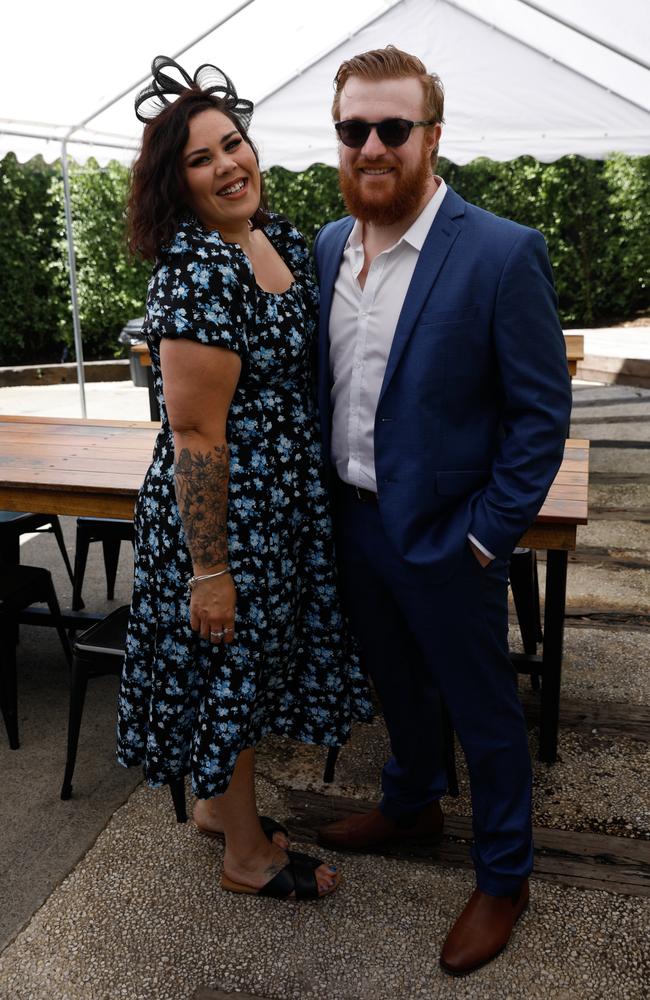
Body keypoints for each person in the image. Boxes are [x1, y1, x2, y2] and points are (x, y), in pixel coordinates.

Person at [313, 46, 572, 972]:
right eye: (354, 129)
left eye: (393, 127)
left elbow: (541, 416)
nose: (372, 145)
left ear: (432, 135)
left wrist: (484, 538)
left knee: (485, 711)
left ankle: (504, 875)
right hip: (355, 522)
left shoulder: (501, 251)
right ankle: (413, 800)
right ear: (337, 138)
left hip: (449, 536)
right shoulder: (325, 246)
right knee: (394, 684)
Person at [117, 56, 371, 901]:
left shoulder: (275, 236)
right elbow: (193, 431)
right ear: (175, 185)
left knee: (248, 673)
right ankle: (245, 857)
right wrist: (211, 570)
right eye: (201, 159)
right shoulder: (196, 273)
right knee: (229, 668)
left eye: (233, 144)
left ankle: (219, 812)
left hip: (282, 511)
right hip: (225, 521)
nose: (229, 164)